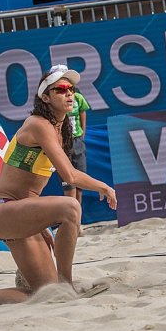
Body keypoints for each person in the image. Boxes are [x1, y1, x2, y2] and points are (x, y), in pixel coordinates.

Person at [0, 65, 117, 311]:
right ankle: (67, 283)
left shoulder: (60, 130)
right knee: (71, 207)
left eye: (71, 89)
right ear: (45, 97)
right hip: (4, 210)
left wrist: (40, 224)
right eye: (60, 89)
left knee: (46, 294)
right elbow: (69, 175)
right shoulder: (38, 124)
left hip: (20, 216)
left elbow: (36, 190)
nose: (69, 93)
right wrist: (104, 187)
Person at [62, 87, 91, 235]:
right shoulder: (54, 103)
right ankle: (72, 225)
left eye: (69, 87)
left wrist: (82, 135)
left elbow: (83, 114)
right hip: (63, 145)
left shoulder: (78, 98)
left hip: (77, 142)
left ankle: (77, 224)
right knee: (69, 187)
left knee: (79, 186)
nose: (66, 90)